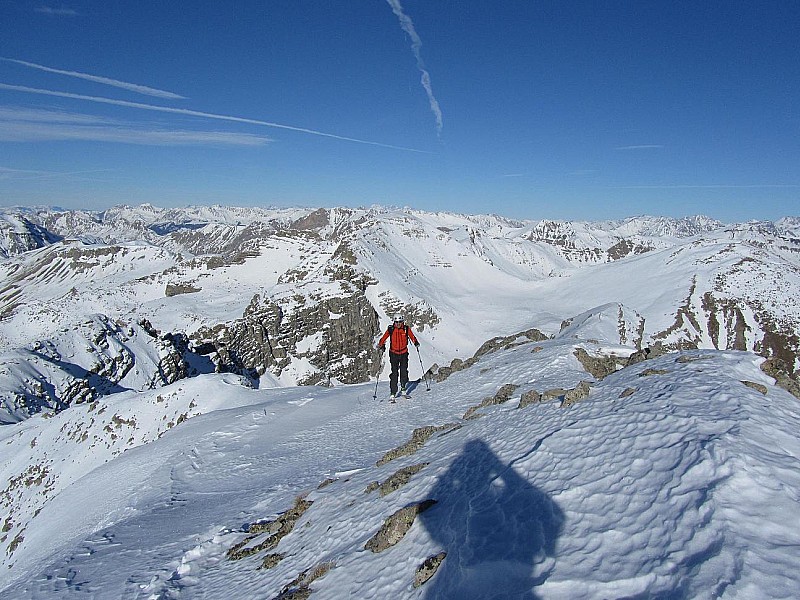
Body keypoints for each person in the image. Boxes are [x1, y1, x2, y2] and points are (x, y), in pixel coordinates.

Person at [378, 314, 419, 399]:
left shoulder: (406, 329)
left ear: (402, 321)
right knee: (394, 373)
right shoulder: (391, 329)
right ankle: (393, 392)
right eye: (396, 322)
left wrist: (416, 342)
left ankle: (403, 388)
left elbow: (412, 336)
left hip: (404, 353)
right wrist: (381, 344)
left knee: (404, 371)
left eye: (400, 322)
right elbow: (384, 337)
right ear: (394, 322)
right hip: (393, 354)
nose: (398, 324)